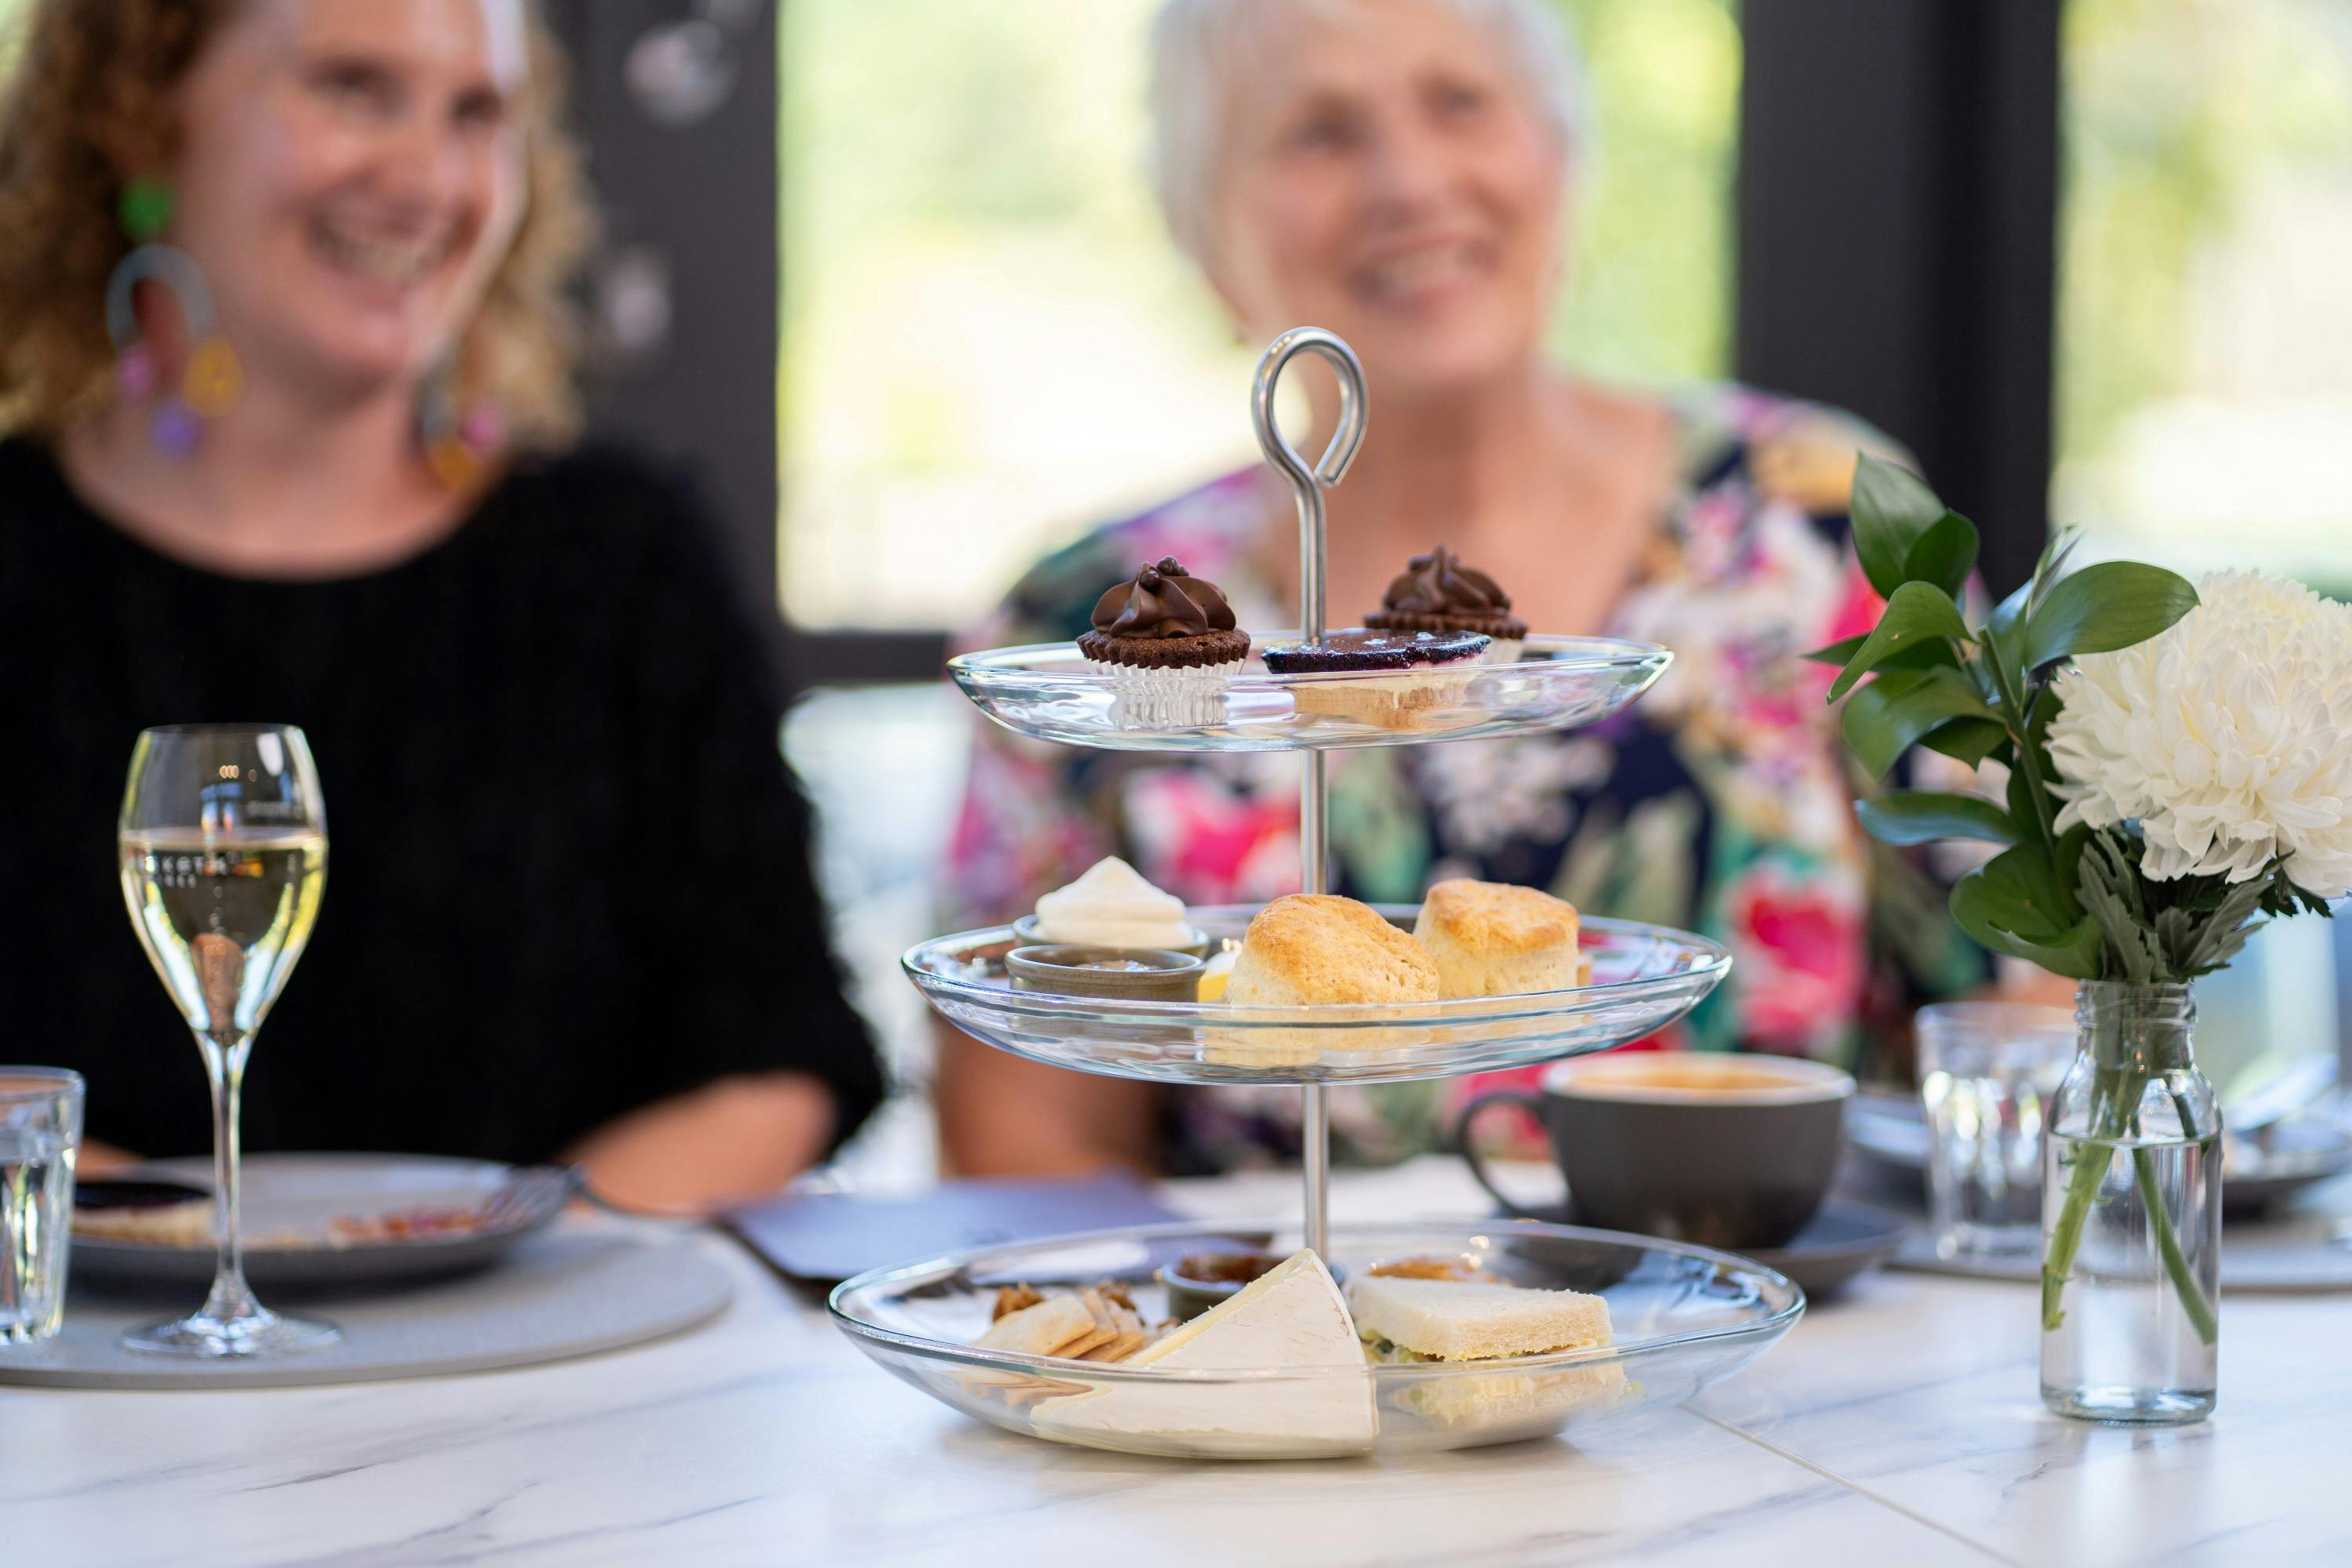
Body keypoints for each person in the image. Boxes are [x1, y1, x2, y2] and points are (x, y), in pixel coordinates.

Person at [938, 0, 1984, 1176]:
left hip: (1795, 1329)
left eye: (1461, 102)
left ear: (1561, 152)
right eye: (1319, 132)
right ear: (1203, 235)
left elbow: (2018, 1028)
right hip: (1278, 1349)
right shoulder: (1099, 624)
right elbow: (1032, 1171)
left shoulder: (1816, 523)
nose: (1409, 179)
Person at [0, 0, 882, 1209]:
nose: (428, 179)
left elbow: (776, 1063)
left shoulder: (622, 561)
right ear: (143, 117)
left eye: (477, 112)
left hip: (562, 1374)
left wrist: (473, 1271)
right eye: (354, 88)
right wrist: (214, 1272)